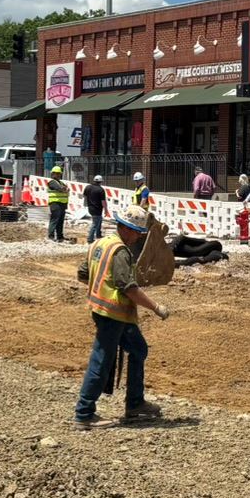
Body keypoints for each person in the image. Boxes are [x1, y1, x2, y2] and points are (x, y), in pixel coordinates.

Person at [74, 205, 169, 427]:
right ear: (125, 229)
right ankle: (84, 413)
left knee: (138, 349)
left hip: (106, 311)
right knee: (101, 360)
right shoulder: (120, 251)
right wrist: (156, 307)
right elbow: (128, 288)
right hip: (113, 314)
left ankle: (135, 404)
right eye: (136, 232)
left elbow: (82, 274)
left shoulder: (98, 244)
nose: (137, 237)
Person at [44, 163, 71, 242]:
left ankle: (60, 236)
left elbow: (66, 189)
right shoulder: (52, 182)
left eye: (59, 174)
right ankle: (51, 236)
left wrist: (65, 189)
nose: (59, 175)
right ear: (53, 174)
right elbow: (61, 189)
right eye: (57, 174)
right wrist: (64, 189)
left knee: (60, 221)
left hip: (62, 204)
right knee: (55, 220)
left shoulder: (60, 182)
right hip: (55, 203)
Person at [83, 172, 108, 244]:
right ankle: (90, 239)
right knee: (95, 223)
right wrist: (106, 210)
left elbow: (85, 196)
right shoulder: (100, 190)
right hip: (97, 209)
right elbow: (103, 201)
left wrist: (86, 204)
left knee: (99, 220)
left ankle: (98, 235)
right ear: (101, 182)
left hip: (90, 208)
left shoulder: (88, 187)